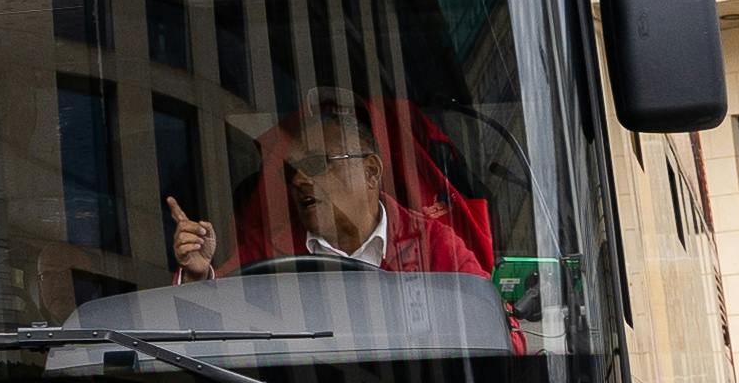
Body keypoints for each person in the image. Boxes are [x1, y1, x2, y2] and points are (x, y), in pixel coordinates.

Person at [166, 91, 497, 280]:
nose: (299, 180)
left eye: (317, 165)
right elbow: (220, 324)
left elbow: (496, 330)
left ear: (370, 171)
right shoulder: (269, 248)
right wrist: (199, 275)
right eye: (291, 171)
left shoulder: (431, 244)